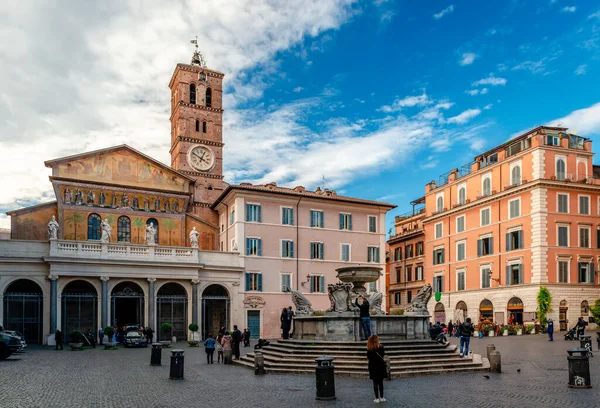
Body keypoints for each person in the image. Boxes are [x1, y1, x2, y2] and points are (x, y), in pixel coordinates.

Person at [366, 335, 387, 404]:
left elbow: (369, 358)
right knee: (381, 382)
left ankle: (377, 398)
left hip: (373, 367)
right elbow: (383, 355)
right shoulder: (381, 347)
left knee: (375, 383)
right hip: (381, 366)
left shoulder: (369, 349)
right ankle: (382, 397)